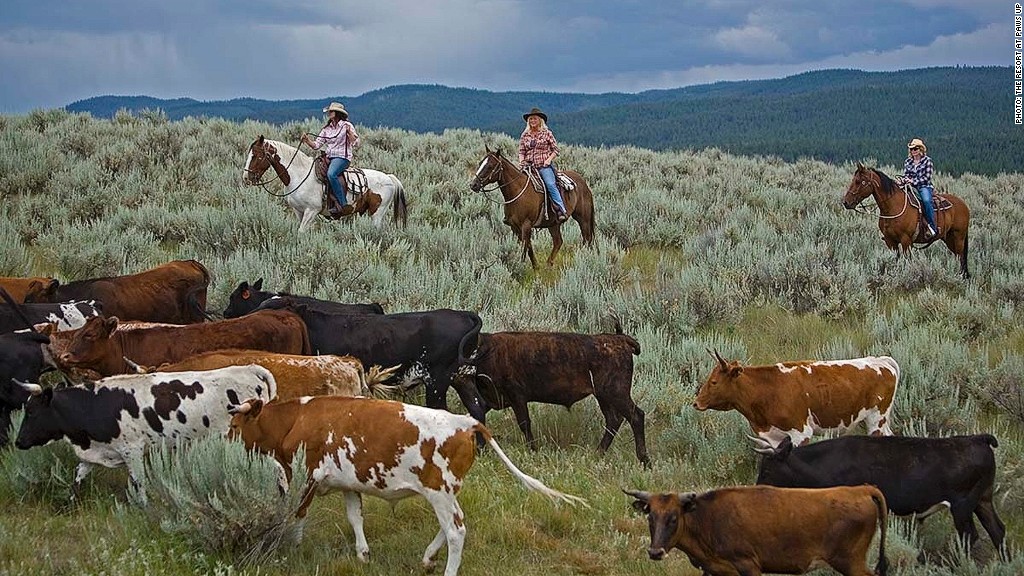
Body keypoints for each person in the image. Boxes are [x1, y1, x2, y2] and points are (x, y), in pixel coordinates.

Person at [302, 102, 360, 217]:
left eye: (331, 111)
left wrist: (350, 134)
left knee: (331, 174)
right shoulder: (326, 129)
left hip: (342, 158)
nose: (329, 113)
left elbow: (357, 143)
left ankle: (343, 204)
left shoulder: (346, 125)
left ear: (337, 113)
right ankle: (324, 202)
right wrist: (307, 140)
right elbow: (316, 145)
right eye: (329, 111)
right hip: (329, 157)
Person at [518, 107, 567, 222]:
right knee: (516, 184)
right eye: (530, 119)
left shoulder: (547, 134)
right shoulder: (525, 135)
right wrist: (521, 161)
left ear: (540, 120)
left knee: (550, 184)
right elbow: (521, 151)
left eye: (534, 119)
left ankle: (561, 209)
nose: (532, 121)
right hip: (529, 166)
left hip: (543, 166)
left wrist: (549, 160)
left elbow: (556, 150)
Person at [903, 137, 937, 237]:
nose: (913, 151)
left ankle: (932, 226)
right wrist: (905, 180)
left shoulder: (928, 161)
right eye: (911, 149)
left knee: (926, 200)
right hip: (910, 186)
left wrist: (913, 181)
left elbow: (927, 178)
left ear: (921, 149)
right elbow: (906, 174)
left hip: (924, 186)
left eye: (915, 148)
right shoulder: (908, 161)